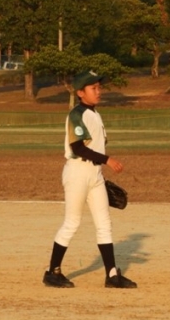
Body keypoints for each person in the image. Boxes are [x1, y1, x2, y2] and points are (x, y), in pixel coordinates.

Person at [43, 70, 137, 289]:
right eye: (93, 88)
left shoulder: (95, 114)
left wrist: (100, 169)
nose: (98, 91)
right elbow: (78, 148)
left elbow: (94, 146)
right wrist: (107, 159)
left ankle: (112, 275)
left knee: (104, 224)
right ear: (80, 93)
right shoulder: (77, 114)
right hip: (77, 173)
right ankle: (52, 272)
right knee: (72, 222)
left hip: (94, 174)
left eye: (99, 87)